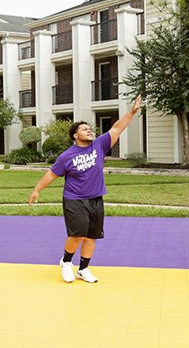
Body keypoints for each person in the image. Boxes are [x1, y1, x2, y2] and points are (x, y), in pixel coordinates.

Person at [29, 96, 142, 283]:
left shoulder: (99, 145)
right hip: (74, 199)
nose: (89, 131)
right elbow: (51, 174)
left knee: (91, 236)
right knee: (77, 234)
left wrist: (131, 112)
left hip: (96, 198)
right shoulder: (67, 156)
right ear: (75, 135)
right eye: (84, 129)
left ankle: (83, 268)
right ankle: (66, 262)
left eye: (90, 129)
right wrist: (36, 190)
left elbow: (117, 128)